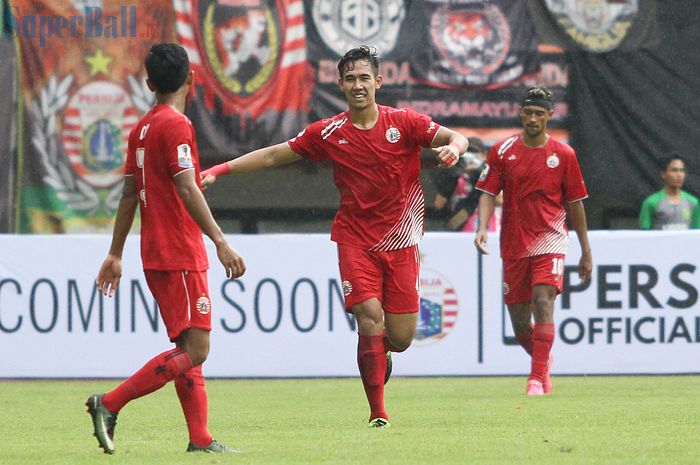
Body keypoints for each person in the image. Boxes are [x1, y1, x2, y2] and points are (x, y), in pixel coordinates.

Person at [201, 45, 468, 427]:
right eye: (350, 79)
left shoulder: (405, 123)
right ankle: (378, 412)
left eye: (364, 78)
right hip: (354, 241)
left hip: (402, 242)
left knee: (402, 336)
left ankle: (381, 353)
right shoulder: (328, 132)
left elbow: (457, 137)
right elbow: (276, 155)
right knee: (368, 316)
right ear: (341, 84)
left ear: (377, 82)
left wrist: (454, 149)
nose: (358, 85)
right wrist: (220, 170)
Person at [86, 43, 246, 454]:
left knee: (186, 348)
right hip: (179, 252)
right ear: (192, 79)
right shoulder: (176, 126)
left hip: (154, 252)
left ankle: (200, 438)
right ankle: (110, 403)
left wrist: (116, 252)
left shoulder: (141, 127)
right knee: (198, 348)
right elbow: (187, 186)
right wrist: (221, 241)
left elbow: (127, 195)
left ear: (149, 83)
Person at [474, 86, 592, 396]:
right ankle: (543, 358)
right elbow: (487, 192)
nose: (533, 118)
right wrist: (482, 227)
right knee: (518, 323)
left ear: (550, 116)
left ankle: (537, 378)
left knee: (544, 300)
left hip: (551, 239)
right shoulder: (502, 150)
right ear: (521, 114)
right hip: (514, 243)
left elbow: (575, 203)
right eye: (528, 113)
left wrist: (585, 251)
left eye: (540, 113)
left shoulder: (564, 155)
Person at [431, 137, 501, 231]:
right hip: (460, 232)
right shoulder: (455, 175)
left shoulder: (489, 173)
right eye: (467, 152)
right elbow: (438, 205)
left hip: (487, 232)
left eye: (474, 152)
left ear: (484, 155)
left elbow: (500, 200)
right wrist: (450, 176)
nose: (470, 156)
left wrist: (480, 176)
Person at [639, 154, 700, 230]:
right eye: (674, 170)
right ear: (663, 174)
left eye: (682, 170)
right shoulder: (651, 202)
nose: (679, 175)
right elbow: (644, 235)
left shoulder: (694, 202)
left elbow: (697, 234)